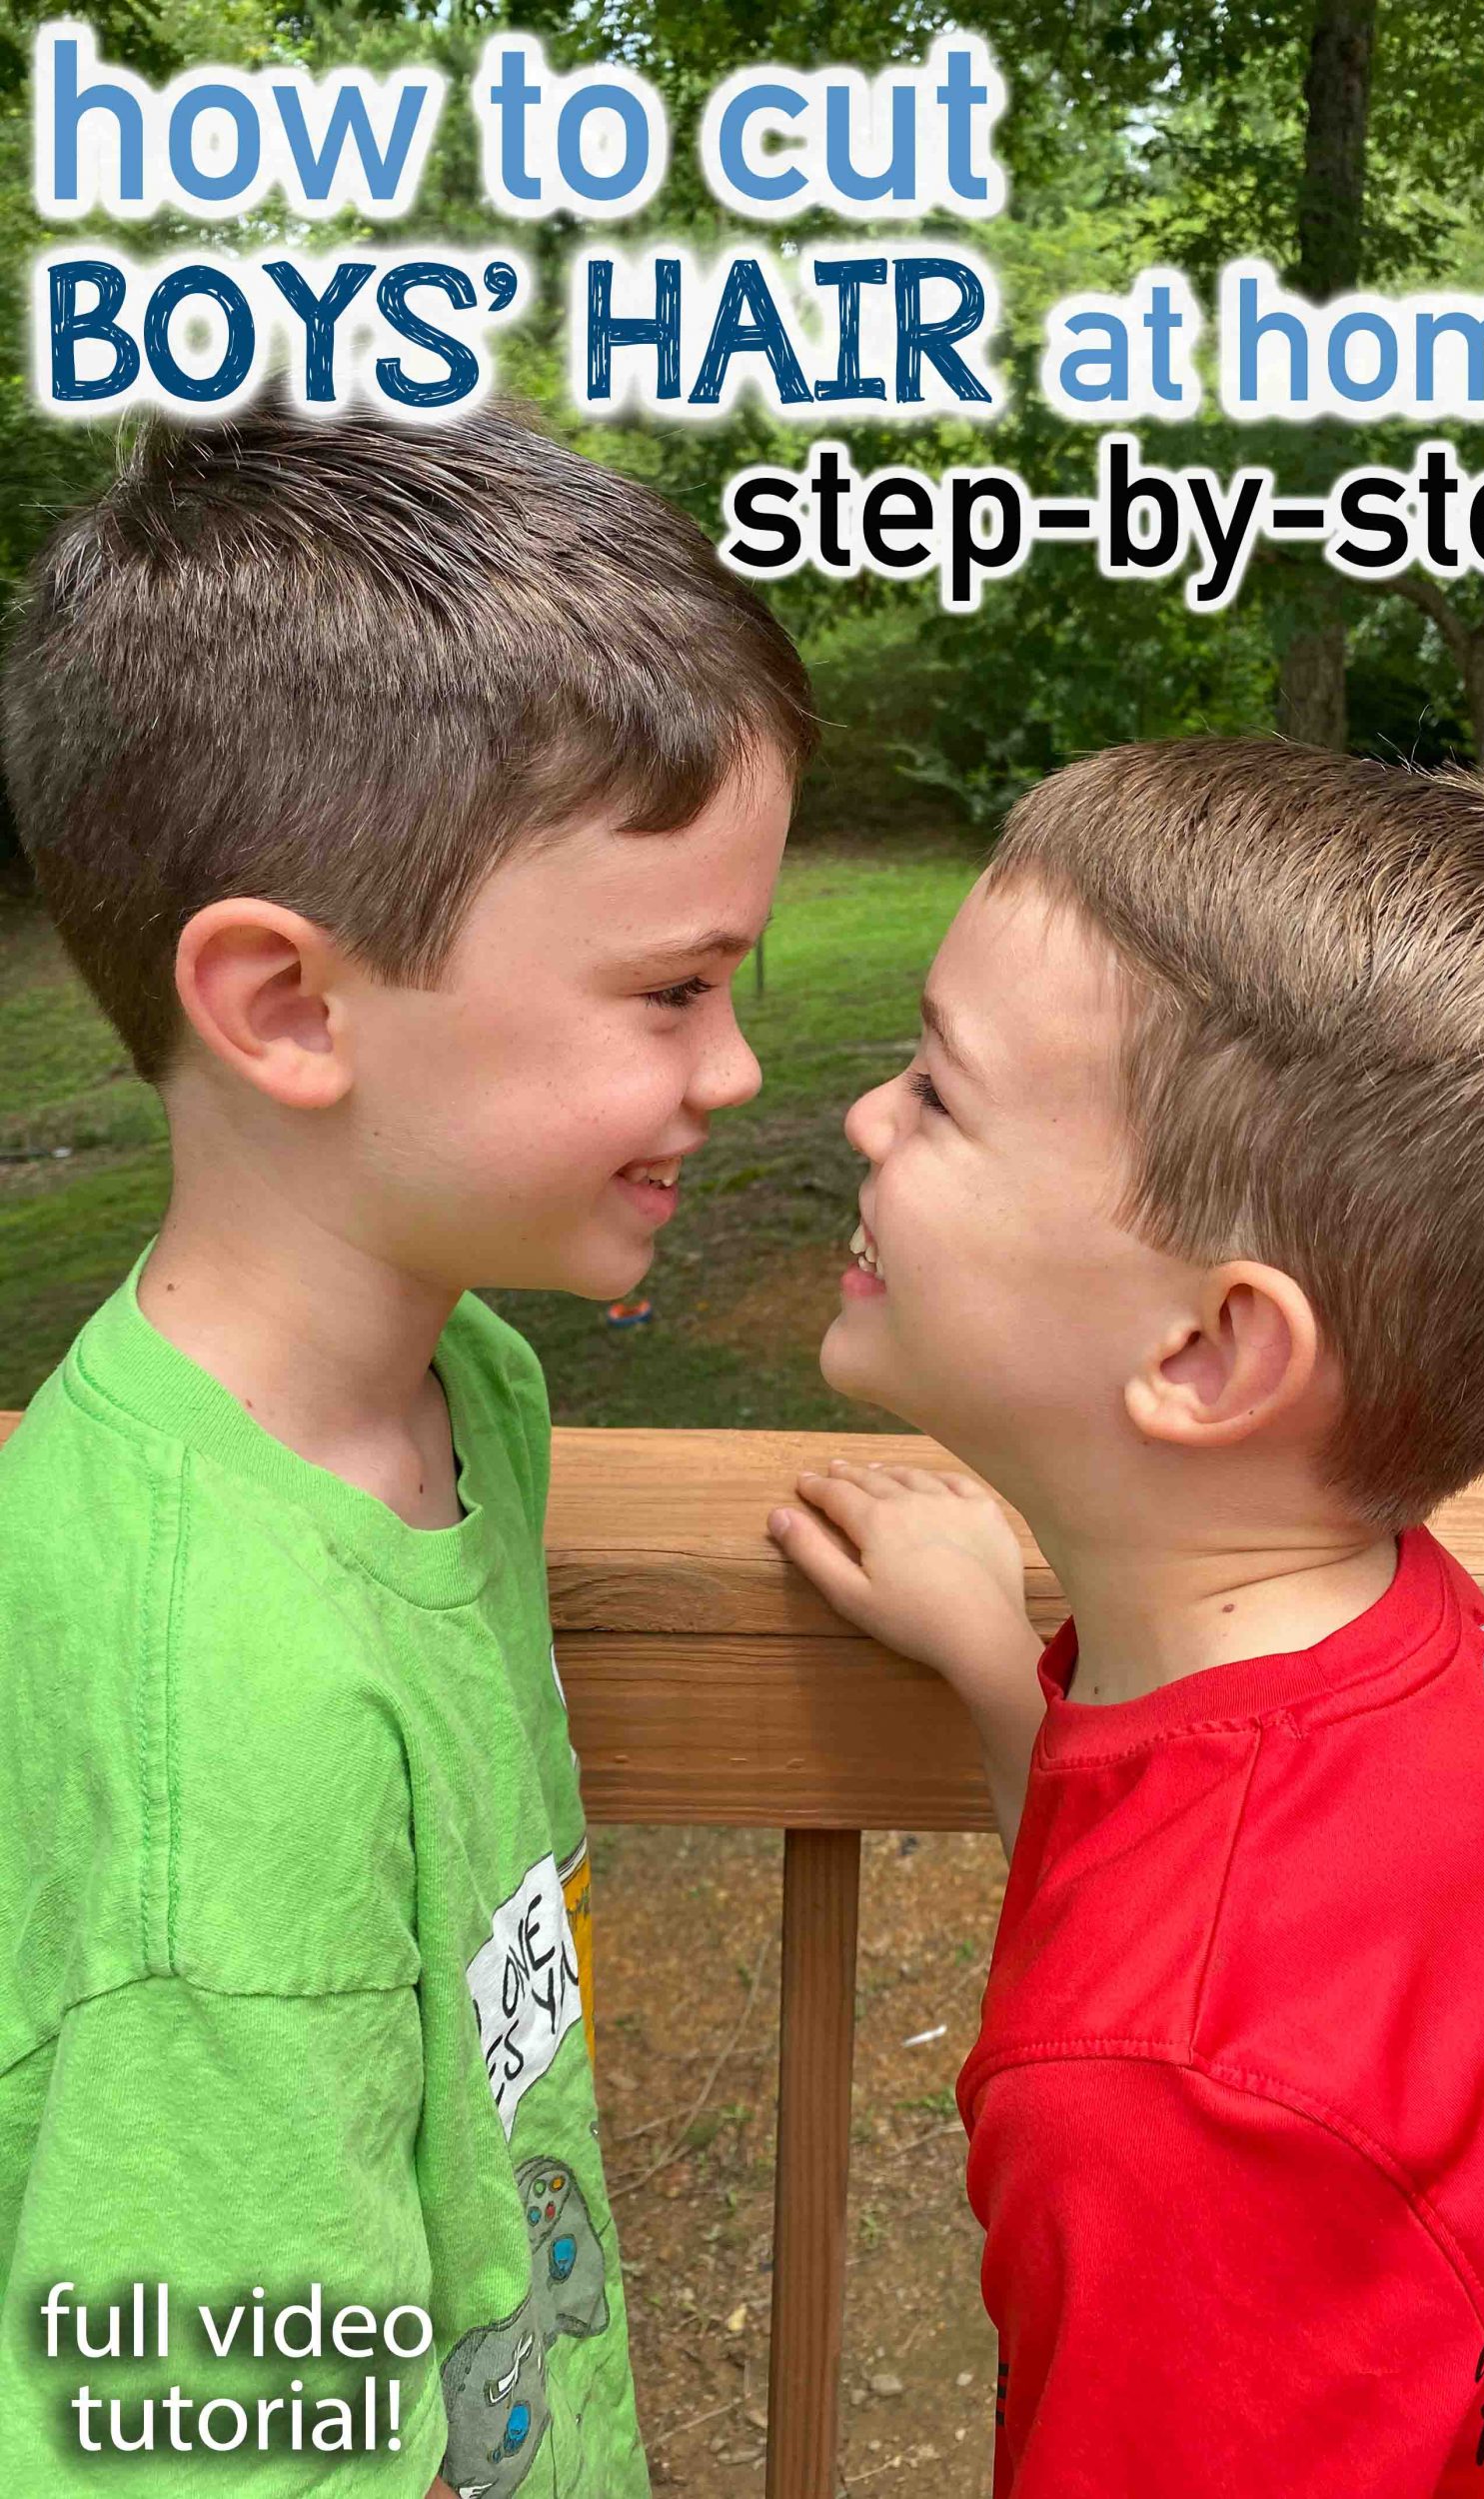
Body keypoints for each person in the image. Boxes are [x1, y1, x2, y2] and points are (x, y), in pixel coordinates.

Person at [0, 401, 813, 2495]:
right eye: (669, 988)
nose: (736, 1066)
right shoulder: (228, 1731)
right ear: (284, 1004)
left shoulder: (472, 1388)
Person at [768, 739, 1484, 2495]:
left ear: (1208, 1353)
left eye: (939, 1094)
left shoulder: (1171, 2112)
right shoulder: (1393, 1639)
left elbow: (1198, 2022)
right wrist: (987, 1658)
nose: (864, 1117)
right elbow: (1198, 1884)